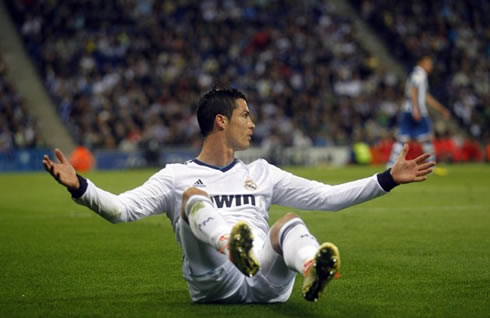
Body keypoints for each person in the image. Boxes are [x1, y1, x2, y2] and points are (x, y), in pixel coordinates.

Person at [43, 88, 434, 304]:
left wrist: (388, 178)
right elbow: (121, 210)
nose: (253, 122)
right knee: (192, 197)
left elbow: (328, 196)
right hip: (212, 278)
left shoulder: (261, 172)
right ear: (221, 121)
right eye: (245, 114)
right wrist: (81, 187)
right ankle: (232, 244)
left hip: (265, 281)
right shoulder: (176, 176)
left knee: (289, 224)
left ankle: (312, 267)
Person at [387, 55, 450, 172]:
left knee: (402, 139)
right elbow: (414, 90)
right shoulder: (419, 74)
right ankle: (431, 166)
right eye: (428, 63)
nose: (431, 66)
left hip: (408, 111)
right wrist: (416, 108)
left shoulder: (416, 74)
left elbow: (426, 96)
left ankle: (390, 166)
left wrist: (441, 109)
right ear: (421, 62)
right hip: (416, 111)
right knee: (427, 138)